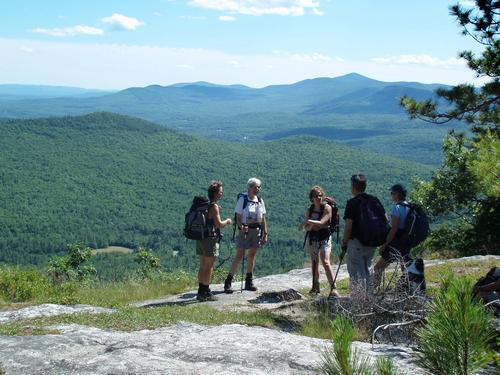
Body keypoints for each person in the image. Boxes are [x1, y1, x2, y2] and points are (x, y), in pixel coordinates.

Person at [341, 174, 386, 295]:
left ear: (353, 187)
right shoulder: (374, 200)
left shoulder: (352, 203)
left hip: (356, 242)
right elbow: (385, 219)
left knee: (356, 272)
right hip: (372, 241)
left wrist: (344, 242)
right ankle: (370, 298)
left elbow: (348, 227)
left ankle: (358, 302)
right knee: (367, 269)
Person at [224, 177, 268, 293]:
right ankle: (228, 281)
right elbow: (238, 217)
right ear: (249, 187)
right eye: (255, 187)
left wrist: (265, 233)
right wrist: (241, 226)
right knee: (239, 256)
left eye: (258, 187)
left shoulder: (259, 200)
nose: (257, 189)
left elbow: (263, 218)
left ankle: (249, 281)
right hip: (245, 230)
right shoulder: (243, 199)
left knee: (252, 255)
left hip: (256, 230)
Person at [196, 181, 232, 301]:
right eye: (221, 192)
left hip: (200, 237)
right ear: (216, 194)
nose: (222, 194)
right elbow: (219, 224)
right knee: (209, 266)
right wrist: (227, 221)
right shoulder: (214, 206)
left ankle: (200, 290)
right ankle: (206, 291)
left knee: (202, 265)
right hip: (210, 239)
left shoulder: (204, 204)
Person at [299, 186, 337, 297]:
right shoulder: (310, 209)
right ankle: (315, 287)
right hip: (313, 237)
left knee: (325, 261)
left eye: (320, 195)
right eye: (316, 196)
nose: (319, 197)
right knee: (314, 262)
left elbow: (322, 222)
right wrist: (309, 226)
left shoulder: (327, 208)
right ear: (311, 198)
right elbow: (307, 228)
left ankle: (333, 288)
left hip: (325, 237)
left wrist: (307, 222)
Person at [374, 184, 412, 288]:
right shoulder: (410, 207)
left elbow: (394, 229)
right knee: (404, 267)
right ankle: (407, 290)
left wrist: (384, 245)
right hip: (407, 241)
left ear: (398, 194)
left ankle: (372, 292)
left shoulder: (397, 208)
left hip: (396, 242)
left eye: (392, 193)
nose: (391, 195)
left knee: (378, 268)